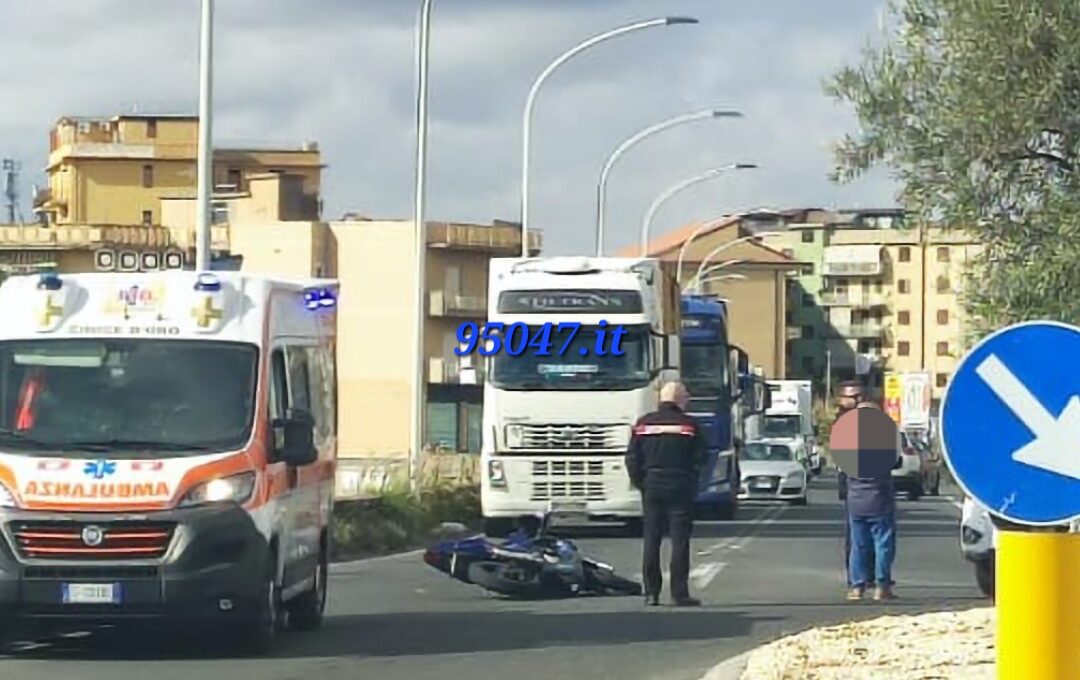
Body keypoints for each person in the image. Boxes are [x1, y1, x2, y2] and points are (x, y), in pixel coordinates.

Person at [625, 381, 707, 607]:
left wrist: (641, 483)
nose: (688, 400)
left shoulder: (644, 424)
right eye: (686, 396)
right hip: (680, 485)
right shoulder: (690, 425)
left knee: (652, 540)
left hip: (652, 484)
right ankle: (679, 593)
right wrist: (691, 479)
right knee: (680, 542)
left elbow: (632, 457)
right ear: (679, 399)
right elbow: (702, 457)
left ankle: (651, 593)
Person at [835, 381, 901, 601]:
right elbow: (896, 461)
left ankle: (857, 586)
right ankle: (882, 586)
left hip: (855, 499)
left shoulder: (847, 436)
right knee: (883, 543)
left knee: (858, 544)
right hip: (880, 497)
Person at [835, 381, 875, 590]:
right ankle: (857, 576)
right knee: (856, 533)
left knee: (868, 533)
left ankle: (866, 575)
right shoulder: (844, 420)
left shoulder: (868, 417)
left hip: (868, 481)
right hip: (852, 481)